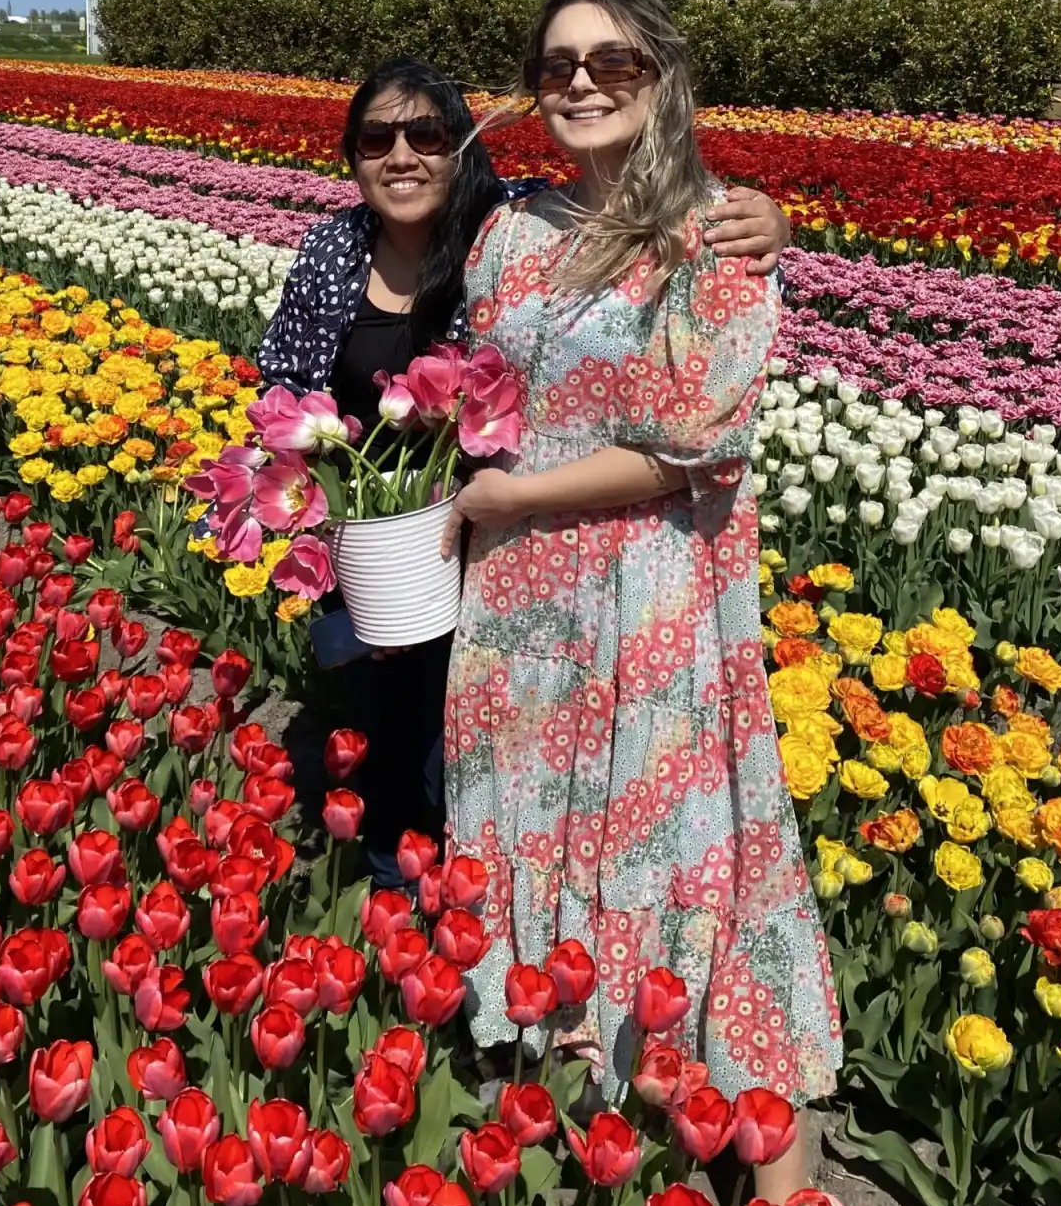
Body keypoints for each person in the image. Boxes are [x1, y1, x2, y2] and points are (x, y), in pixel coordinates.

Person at [439, 0, 841, 1198]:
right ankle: (590, 1140)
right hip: (515, 616)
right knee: (538, 841)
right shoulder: (508, 230)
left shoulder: (716, 231)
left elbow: (695, 439)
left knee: (679, 857)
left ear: (660, 79)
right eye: (557, 61)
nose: (578, 81)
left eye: (611, 61)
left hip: (652, 608)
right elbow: (477, 384)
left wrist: (512, 498)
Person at [256, 52, 790, 891]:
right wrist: (322, 512)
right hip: (367, 552)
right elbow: (282, 391)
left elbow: (640, 212)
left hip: (490, 541)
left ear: (464, 146)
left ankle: (469, 919)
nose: (402, 156)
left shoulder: (512, 226)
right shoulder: (332, 252)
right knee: (386, 747)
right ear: (352, 158)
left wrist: (767, 221)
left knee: (473, 760)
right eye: (375, 139)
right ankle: (395, 922)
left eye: (427, 133)